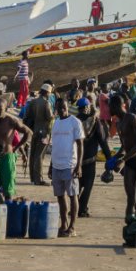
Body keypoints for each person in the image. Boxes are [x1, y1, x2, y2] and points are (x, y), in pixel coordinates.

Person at [108, 94, 136, 218]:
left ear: (115, 106)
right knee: (130, 199)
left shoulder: (133, 118)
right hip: (130, 163)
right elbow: (124, 146)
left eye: (110, 106)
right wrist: (114, 158)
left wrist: (123, 160)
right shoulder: (119, 123)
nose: (108, 110)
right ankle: (131, 229)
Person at [48, 98, 83, 237]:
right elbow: (54, 145)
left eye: (63, 107)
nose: (61, 110)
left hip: (70, 165)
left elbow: (80, 144)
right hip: (57, 165)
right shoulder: (55, 123)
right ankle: (63, 224)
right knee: (60, 196)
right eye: (59, 108)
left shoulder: (75, 122)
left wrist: (79, 165)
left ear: (67, 106)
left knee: (73, 195)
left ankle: (72, 227)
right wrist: (51, 165)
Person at [0, 98, 31, 201]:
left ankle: (8, 211)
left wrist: (17, 148)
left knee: (8, 189)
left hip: (7, 158)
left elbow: (28, 132)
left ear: (6, 109)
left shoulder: (11, 121)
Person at [76, 97, 112, 218]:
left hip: (76, 160)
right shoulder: (95, 122)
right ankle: (82, 209)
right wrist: (109, 159)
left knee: (77, 185)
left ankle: (74, 207)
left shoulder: (74, 121)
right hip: (90, 160)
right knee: (88, 186)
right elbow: (102, 141)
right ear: (87, 107)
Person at [24, 84, 54, 185]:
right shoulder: (46, 103)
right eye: (50, 92)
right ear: (47, 92)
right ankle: (38, 179)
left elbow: (27, 116)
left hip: (34, 131)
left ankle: (33, 178)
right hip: (44, 132)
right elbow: (49, 117)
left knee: (33, 154)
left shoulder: (33, 101)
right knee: (39, 155)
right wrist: (55, 115)